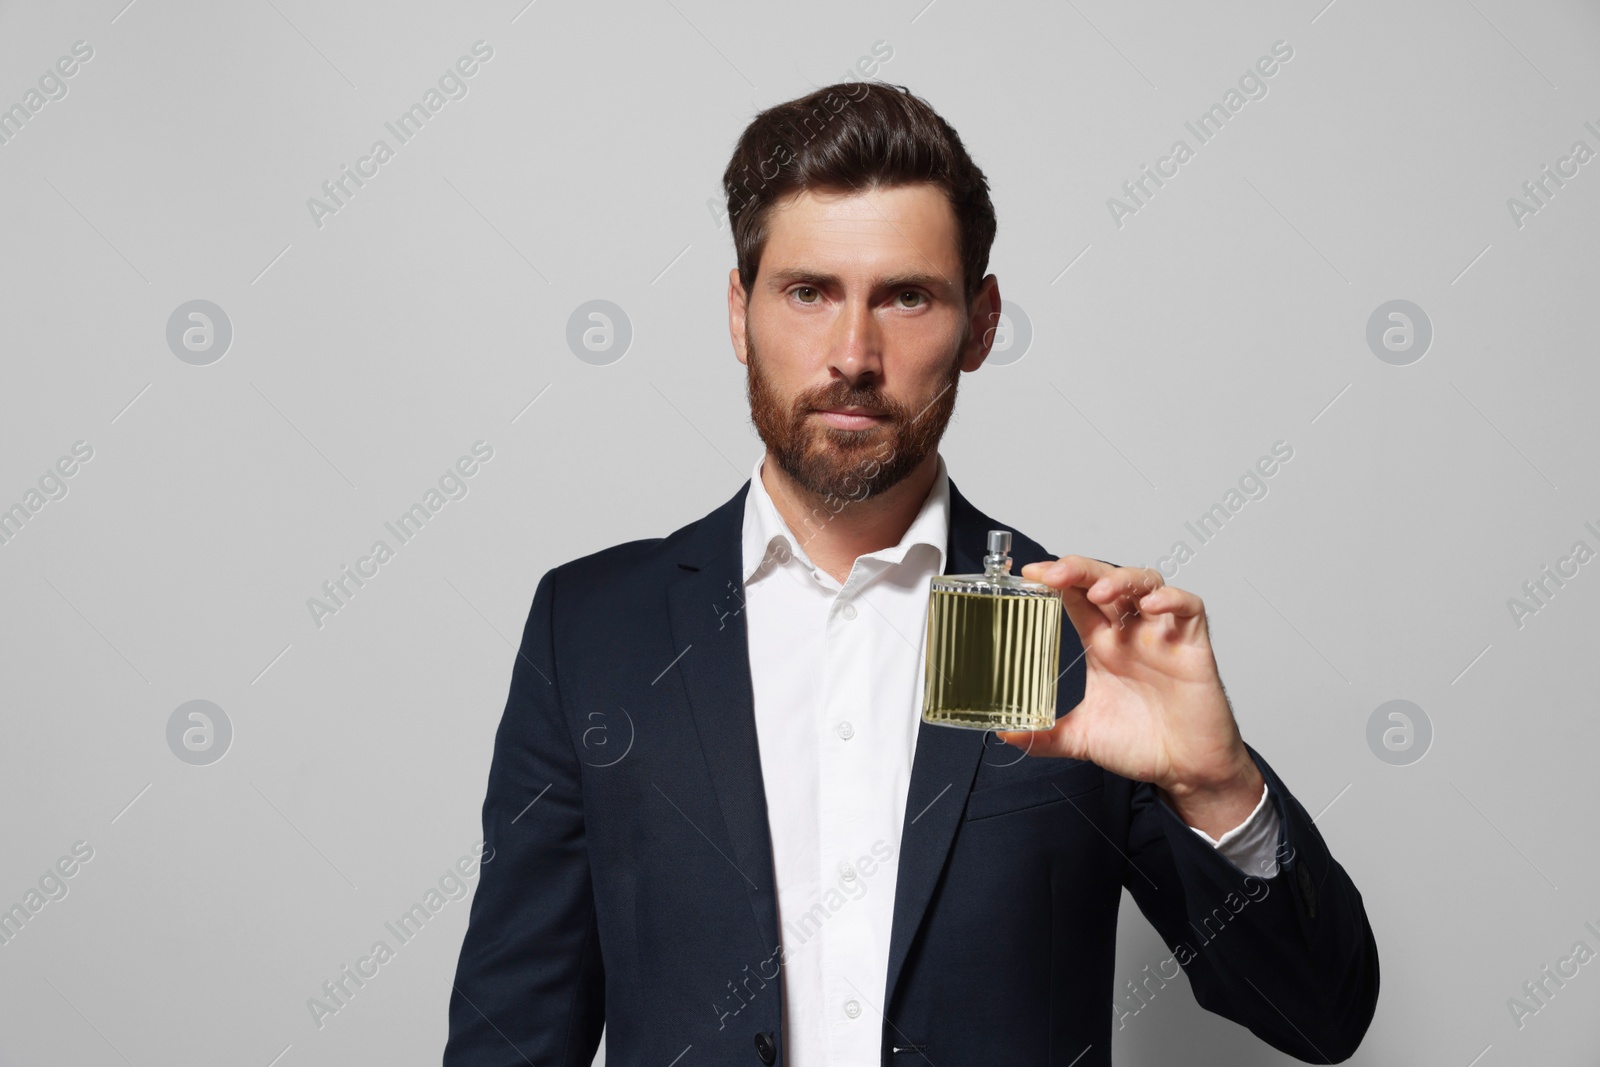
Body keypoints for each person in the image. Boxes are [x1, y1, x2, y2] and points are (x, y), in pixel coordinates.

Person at [443, 81, 1378, 1067]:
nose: (853, 353)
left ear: (979, 325)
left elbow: (1321, 1014)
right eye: (809, 291)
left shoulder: (1078, 637)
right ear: (738, 311)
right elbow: (514, 1034)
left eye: (907, 295)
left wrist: (1215, 782)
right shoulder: (593, 628)